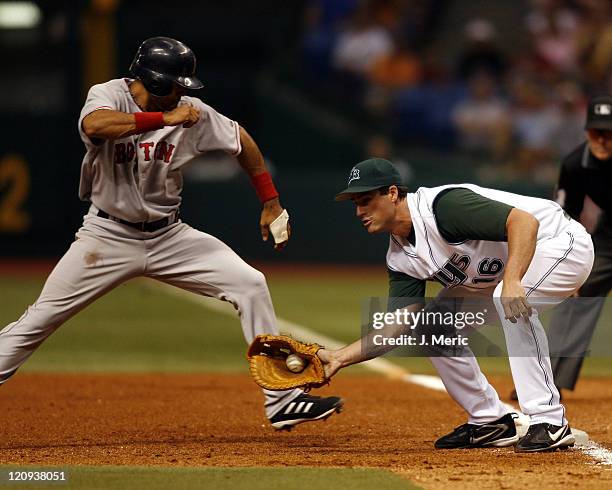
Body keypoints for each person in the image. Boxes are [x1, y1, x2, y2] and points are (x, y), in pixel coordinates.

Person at [0, 37, 342, 431]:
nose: (182, 93)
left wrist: (271, 200)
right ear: (154, 81)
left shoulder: (191, 112)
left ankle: (282, 401)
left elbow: (241, 140)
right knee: (40, 319)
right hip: (106, 236)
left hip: (170, 237)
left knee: (250, 283)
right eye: (175, 85)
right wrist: (162, 121)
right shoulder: (108, 94)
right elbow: (96, 125)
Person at [317, 158, 593, 452]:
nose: (359, 211)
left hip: (560, 243)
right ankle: (490, 420)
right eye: (355, 204)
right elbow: (399, 325)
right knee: (430, 325)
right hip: (502, 273)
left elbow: (524, 222)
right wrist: (339, 357)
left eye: (366, 200)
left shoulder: (442, 209)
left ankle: (548, 421)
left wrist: (513, 280)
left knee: (506, 296)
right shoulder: (400, 258)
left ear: (393, 193)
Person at [528, 95, 612, 397]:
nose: (603, 139)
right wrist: (570, 264)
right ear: (587, 132)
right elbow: (565, 216)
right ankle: (548, 382)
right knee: (576, 293)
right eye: (596, 132)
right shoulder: (575, 164)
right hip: (607, 237)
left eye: (609, 132)